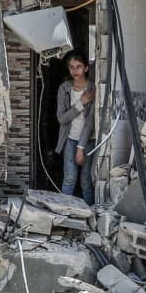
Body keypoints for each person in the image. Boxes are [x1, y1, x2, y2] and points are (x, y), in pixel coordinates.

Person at [56, 50, 96, 205]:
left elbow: (90, 122)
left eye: (79, 67)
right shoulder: (64, 89)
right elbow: (62, 118)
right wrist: (81, 103)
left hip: (88, 140)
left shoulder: (92, 89)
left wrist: (81, 147)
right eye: (72, 67)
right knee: (69, 178)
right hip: (69, 139)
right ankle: (64, 213)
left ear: (86, 68)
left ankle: (90, 215)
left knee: (86, 180)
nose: (75, 71)